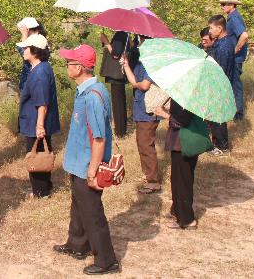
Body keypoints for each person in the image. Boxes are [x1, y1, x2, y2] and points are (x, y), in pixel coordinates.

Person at [54, 44, 119, 275]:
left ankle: (106, 261)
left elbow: (99, 139)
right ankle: (77, 244)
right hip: (78, 162)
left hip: (87, 165)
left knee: (93, 213)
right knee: (78, 206)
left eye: (69, 63)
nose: (66, 66)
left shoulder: (93, 97)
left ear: (79, 68)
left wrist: (92, 171)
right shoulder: (85, 91)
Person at [17, 33, 60, 198]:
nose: (23, 50)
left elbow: (42, 103)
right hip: (36, 120)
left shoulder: (39, 72)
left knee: (37, 155)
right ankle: (44, 187)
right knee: (42, 152)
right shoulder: (42, 67)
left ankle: (40, 191)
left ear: (35, 51)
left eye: (26, 48)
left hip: (36, 122)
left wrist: (39, 126)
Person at [119, 38, 161, 194]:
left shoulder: (152, 62)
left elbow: (144, 85)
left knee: (146, 145)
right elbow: (134, 81)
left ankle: (153, 181)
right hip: (140, 109)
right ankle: (148, 175)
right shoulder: (141, 61)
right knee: (142, 143)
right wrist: (126, 65)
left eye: (141, 41)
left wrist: (137, 85)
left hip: (148, 110)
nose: (139, 44)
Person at [154, 100, 199, 229]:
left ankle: (187, 219)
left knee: (182, 180)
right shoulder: (184, 94)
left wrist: (164, 114)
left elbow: (182, 121)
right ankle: (177, 211)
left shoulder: (188, 96)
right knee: (178, 178)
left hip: (184, 142)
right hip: (183, 141)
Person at [206, 15, 237, 156]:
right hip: (218, 84)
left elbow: (221, 70)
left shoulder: (224, 46)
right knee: (214, 116)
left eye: (211, 28)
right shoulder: (221, 42)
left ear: (219, 28)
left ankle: (222, 146)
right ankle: (217, 143)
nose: (209, 31)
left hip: (219, 85)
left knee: (217, 117)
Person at [220, 0, 249, 121]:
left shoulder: (235, 18)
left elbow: (244, 36)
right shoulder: (232, 17)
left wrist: (235, 50)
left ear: (231, 5)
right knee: (231, 84)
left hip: (235, 58)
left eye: (224, 4)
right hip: (234, 57)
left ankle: (238, 114)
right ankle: (232, 111)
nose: (222, 6)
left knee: (235, 85)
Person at [99, 30, 129, 136]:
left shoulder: (120, 34)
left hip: (116, 75)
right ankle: (122, 129)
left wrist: (106, 42)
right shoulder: (124, 34)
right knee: (120, 102)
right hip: (119, 74)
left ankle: (120, 131)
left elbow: (116, 54)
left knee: (118, 103)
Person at [16, 17, 45, 91]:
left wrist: (24, 35)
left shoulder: (38, 41)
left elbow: (25, 54)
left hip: (31, 84)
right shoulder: (39, 38)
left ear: (28, 29)